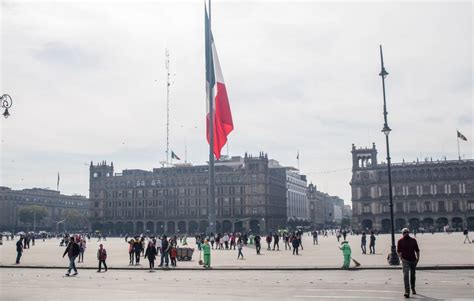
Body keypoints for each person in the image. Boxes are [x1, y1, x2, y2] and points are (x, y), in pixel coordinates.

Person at [397, 228, 420, 298]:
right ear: (402, 233)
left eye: (407, 232)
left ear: (409, 233)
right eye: (404, 232)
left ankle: (413, 287)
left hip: (413, 260)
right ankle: (407, 291)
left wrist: (418, 259)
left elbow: (417, 250)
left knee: (413, 275)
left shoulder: (413, 240)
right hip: (405, 260)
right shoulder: (400, 241)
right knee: (406, 275)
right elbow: (398, 251)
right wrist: (401, 258)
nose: (405, 233)